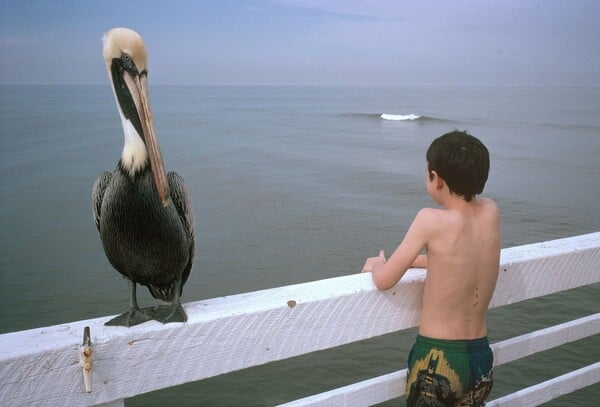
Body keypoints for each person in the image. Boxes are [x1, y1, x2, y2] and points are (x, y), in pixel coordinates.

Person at [362, 130, 500, 406]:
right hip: (480, 356)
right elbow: (463, 258)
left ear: (436, 179)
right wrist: (417, 260)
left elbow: (385, 280)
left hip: (438, 361)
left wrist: (378, 264)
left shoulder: (429, 219)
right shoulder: (491, 212)